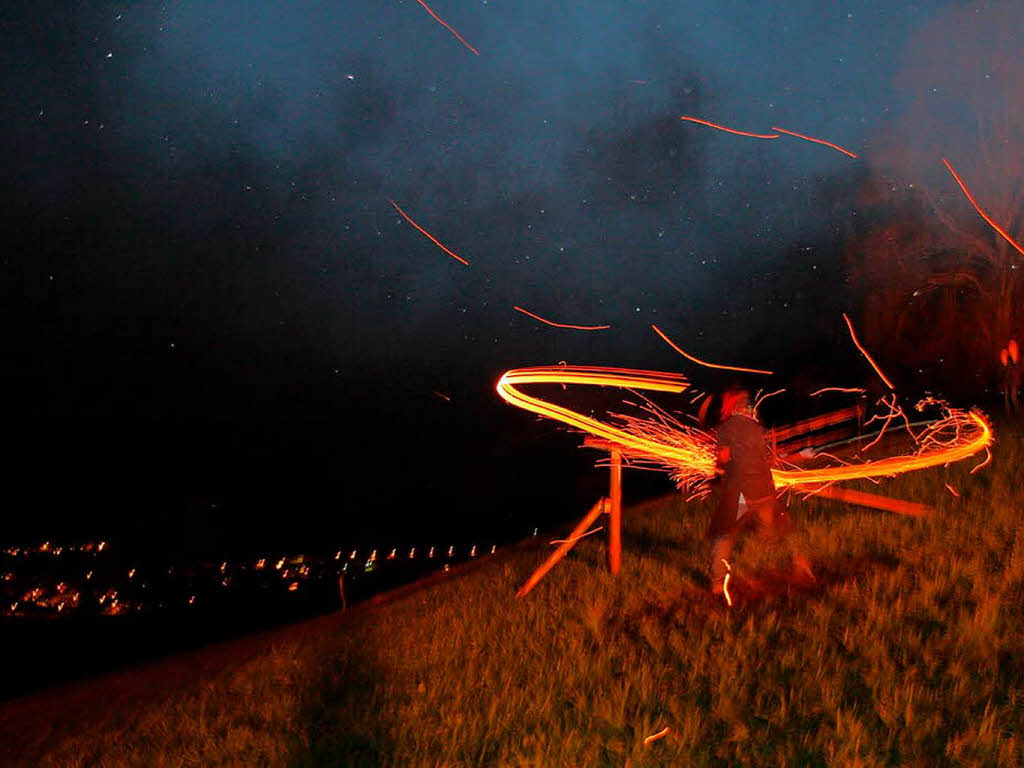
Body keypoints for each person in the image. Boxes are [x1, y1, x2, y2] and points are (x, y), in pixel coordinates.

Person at [708, 386, 812, 597]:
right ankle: (803, 567)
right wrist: (800, 455)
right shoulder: (757, 429)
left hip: (741, 494)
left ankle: (718, 584)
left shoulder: (725, 429)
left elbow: (724, 458)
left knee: (725, 535)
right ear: (747, 408)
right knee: (780, 530)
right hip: (764, 490)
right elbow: (768, 458)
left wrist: (717, 466)